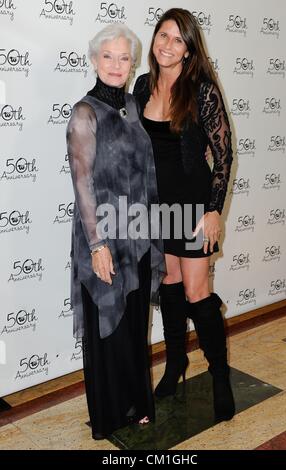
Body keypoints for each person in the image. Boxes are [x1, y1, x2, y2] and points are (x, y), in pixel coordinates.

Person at [133, 8, 235, 423]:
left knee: (198, 294)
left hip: (193, 207)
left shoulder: (202, 90)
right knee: (170, 287)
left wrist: (213, 212)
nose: (167, 45)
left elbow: (224, 156)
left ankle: (220, 375)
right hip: (156, 208)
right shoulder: (141, 86)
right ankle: (176, 364)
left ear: (190, 49)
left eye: (178, 39)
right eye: (163, 35)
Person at [67, 24, 165, 439]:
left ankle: (137, 402)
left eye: (124, 57)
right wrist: (97, 245)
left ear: (132, 63)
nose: (116, 64)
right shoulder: (84, 114)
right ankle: (109, 413)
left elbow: (144, 171)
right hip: (103, 237)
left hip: (137, 236)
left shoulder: (131, 104)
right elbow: (82, 182)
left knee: (133, 324)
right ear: (94, 61)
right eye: (108, 56)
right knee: (108, 325)